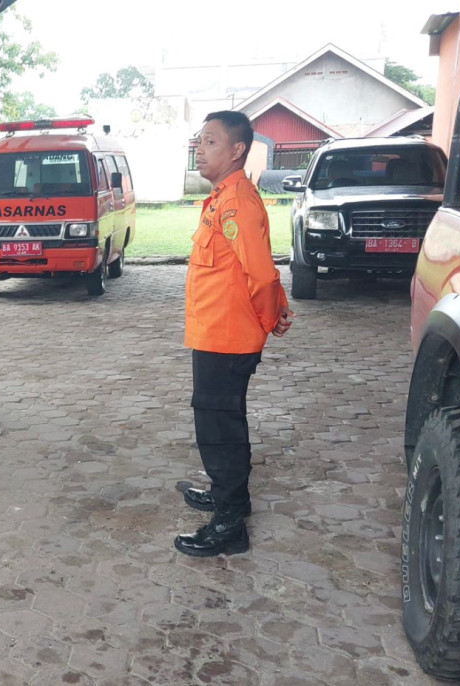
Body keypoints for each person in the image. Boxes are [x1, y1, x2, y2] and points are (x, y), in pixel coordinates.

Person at [175, 110, 294, 558]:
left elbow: (261, 276)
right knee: (222, 419)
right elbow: (252, 267)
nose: (200, 150)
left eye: (210, 142)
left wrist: (269, 318)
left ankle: (228, 524)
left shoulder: (237, 201)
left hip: (227, 338)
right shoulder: (224, 196)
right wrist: (276, 310)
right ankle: (231, 496)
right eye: (199, 142)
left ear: (237, 150)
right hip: (214, 333)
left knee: (218, 426)